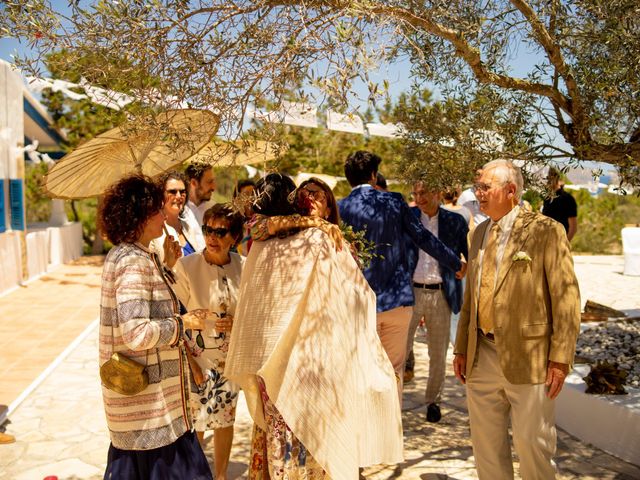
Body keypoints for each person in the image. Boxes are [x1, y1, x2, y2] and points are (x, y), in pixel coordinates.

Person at [225, 173, 403, 480]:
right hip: (282, 360)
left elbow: (349, 298)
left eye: (318, 196)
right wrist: (315, 225)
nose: (311, 200)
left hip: (317, 358)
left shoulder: (327, 239)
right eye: (305, 194)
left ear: (330, 206)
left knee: (312, 436)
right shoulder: (276, 237)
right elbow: (258, 226)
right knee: (292, 437)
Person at [453, 160, 581, 480]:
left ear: (510, 191)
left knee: (532, 446)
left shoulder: (546, 230)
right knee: (487, 448)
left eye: (485, 187)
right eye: (477, 186)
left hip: (531, 357)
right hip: (481, 354)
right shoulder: (479, 232)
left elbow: (566, 297)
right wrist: (461, 348)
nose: (478, 193)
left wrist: (561, 357)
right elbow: (472, 295)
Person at [98, 174, 212, 480]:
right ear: (139, 216)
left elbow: (152, 302)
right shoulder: (132, 261)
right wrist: (183, 323)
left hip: (151, 413)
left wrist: (169, 267)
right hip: (151, 415)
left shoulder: (137, 255)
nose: (164, 214)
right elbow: (136, 333)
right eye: (156, 209)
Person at [338, 151, 464, 401]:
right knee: (393, 372)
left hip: (358, 305)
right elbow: (424, 237)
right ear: (374, 176)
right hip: (397, 303)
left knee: (359, 372)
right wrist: (454, 262)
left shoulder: (340, 207)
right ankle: (390, 435)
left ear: (348, 178)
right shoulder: (395, 202)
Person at [173, 203, 245, 480]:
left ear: (234, 237)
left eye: (220, 231)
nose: (212, 237)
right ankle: (195, 475)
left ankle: (222, 475)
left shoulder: (244, 266)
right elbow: (176, 315)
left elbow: (252, 314)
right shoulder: (186, 266)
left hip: (230, 358)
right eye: (207, 229)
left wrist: (237, 323)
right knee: (197, 421)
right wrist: (190, 363)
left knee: (226, 418)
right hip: (197, 356)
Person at [404, 182, 468, 423]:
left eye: (424, 193)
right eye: (415, 193)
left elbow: (468, 255)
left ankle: (434, 401)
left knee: (438, 353)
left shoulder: (455, 221)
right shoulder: (407, 217)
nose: (419, 198)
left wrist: (467, 268)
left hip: (441, 293)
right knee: (401, 351)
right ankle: (393, 400)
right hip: (411, 293)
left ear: (438, 193)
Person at [151, 170, 205, 268]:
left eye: (182, 191)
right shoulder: (154, 234)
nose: (179, 196)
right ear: (161, 195)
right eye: (173, 192)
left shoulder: (191, 224)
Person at [542, 167, 578, 241]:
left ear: (555, 178)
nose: (546, 182)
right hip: (545, 242)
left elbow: (573, 227)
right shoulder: (547, 199)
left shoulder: (568, 198)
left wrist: (565, 244)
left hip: (560, 241)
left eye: (548, 179)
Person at [232, 179, 256, 256]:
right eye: (246, 194)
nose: (250, 198)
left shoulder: (262, 220)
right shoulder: (232, 223)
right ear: (237, 199)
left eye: (253, 194)